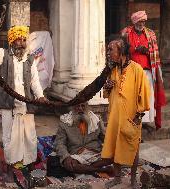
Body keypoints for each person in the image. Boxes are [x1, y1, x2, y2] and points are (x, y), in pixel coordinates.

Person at [0, 26, 48, 176]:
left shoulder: (30, 59)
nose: (21, 43)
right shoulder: (2, 54)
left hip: (26, 102)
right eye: (18, 39)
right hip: (8, 103)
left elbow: (34, 81)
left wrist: (40, 95)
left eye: (24, 40)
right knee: (9, 136)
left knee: (29, 135)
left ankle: (28, 162)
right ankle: (10, 164)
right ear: (11, 41)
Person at [102, 35, 150, 189]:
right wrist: (108, 86)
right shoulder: (113, 70)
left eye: (111, 50)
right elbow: (107, 94)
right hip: (115, 116)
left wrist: (139, 116)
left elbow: (144, 94)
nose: (108, 53)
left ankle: (133, 180)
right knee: (115, 146)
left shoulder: (137, 69)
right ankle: (117, 178)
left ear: (121, 51)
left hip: (131, 117)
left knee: (133, 148)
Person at [121, 10, 166, 130]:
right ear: (135, 21)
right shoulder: (127, 33)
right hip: (131, 71)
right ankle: (134, 121)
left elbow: (155, 52)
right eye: (140, 21)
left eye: (144, 21)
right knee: (134, 96)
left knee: (148, 96)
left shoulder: (150, 34)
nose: (142, 24)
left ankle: (145, 122)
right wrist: (135, 49)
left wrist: (147, 51)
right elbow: (122, 50)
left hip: (147, 71)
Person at [47, 102, 112, 177]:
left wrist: (112, 147)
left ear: (87, 107)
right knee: (71, 165)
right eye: (77, 106)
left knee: (114, 157)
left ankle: (87, 169)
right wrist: (66, 157)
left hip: (95, 152)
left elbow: (104, 137)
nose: (80, 108)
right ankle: (102, 170)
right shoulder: (65, 122)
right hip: (77, 155)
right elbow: (59, 143)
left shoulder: (96, 119)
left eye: (83, 106)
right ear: (72, 108)